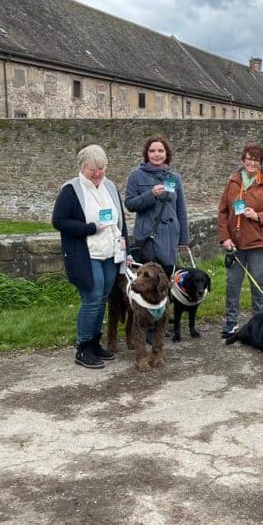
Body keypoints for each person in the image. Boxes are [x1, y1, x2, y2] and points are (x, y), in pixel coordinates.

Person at [52, 144, 128, 369]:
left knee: (103, 297)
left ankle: (95, 343)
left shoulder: (110, 187)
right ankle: (83, 347)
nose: (97, 173)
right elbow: (59, 221)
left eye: (101, 168)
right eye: (92, 169)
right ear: (82, 167)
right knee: (92, 298)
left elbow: (119, 222)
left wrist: (125, 248)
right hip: (86, 254)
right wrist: (89, 228)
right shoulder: (71, 190)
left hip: (110, 252)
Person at [218, 142, 263, 337]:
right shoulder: (233, 181)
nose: (252, 163)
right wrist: (225, 238)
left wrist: (257, 216)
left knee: (258, 282)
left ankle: (260, 322)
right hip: (235, 242)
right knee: (232, 282)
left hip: (259, 241)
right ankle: (231, 321)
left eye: (256, 160)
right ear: (243, 161)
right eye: (249, 159)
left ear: (261, 163)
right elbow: (223, 211)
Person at [125, 135, 189, 278]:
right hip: (148, 237)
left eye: (160, 151)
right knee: (149, 280)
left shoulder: (174, 178)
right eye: (152, 151)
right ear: (147, 154)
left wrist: (184, 239)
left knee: (168, 278)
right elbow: (130, 204)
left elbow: (181, 209)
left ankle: (166, 301)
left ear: (166, 154)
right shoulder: (136, 176)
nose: (157, 154)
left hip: (170, 236)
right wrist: (151, 194)